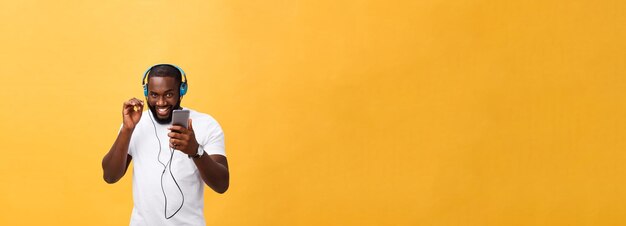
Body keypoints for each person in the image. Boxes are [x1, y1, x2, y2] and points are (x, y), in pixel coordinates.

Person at [102, 64, 229, 226]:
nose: (161, 102)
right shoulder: (135, 125)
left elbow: (222, 184)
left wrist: (196, 151)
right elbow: (110, 176)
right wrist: (127, 129)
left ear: (182, 91)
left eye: (169, 94)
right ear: (146, 93)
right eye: (154, 95)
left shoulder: (206, 124)